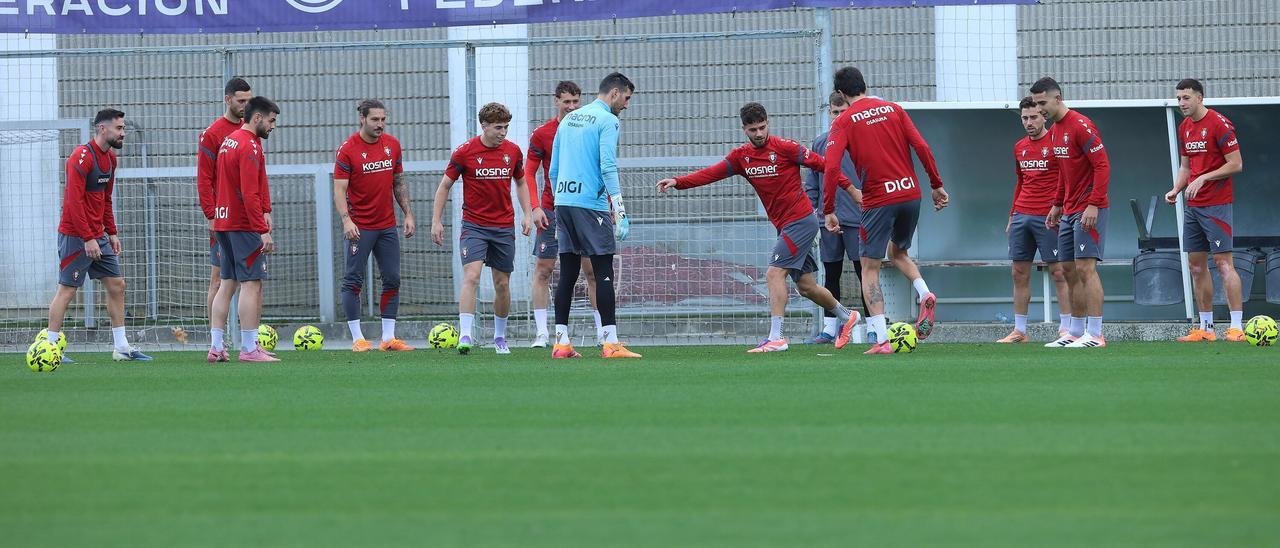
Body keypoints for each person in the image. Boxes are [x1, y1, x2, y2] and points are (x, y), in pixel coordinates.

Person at [658, 102, 863, 352]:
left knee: (774, 274)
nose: (759, 133)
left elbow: (826, 165)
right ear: (744, 129)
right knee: (807, 286)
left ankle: (777, 337)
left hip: (800, 221)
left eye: (762, 127)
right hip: (785, 226)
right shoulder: (741, 157)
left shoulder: (786, 148)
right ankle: (847, 316)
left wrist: (852, 190)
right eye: (753, 129)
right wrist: (678, 181)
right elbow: (711, 173)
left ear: (768, 123)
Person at [822, 66, 948, 355]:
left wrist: (829, 209)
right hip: (910, 193)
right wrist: (936, 184)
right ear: (865, 86)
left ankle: (881, 339)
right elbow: (921, 146)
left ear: (841, 93)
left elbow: (831, 167)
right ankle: (924, 293)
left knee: (869, 268)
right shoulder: (894, 109)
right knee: (898, 252)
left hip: (878, 200)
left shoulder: (844, 121)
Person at [546, 72, 642, 359]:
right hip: (591, 205)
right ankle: (610, 343)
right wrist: (619, 211)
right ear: (615, 93)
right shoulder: (608, 120)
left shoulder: (569, 119)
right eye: (626, 98)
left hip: (564, 202)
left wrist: (560, 202)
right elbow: (607, 166)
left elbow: (553, 169)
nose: (626, 105)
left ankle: (561, 343)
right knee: (603, 272)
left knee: (568, 272)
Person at [47, 108, 151, 362]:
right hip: (76, 235)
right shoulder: (81, 157)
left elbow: (105, 200)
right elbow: (73, 203)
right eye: (119, 128)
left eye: (124, 128)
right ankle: (50, 348)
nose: (123, 133)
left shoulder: (111, 160)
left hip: (98, 236)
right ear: (102, 129)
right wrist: (87, 238)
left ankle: (122, 347)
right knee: (67, 290)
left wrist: (111, 233)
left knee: (117, 285)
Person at [430, 102, 532, 355]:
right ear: (484, 126)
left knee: (502, 284)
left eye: (506, 127)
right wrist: (436, 221)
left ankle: (500, 337)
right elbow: (444, 186)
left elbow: (521, 183)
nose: (503, 132)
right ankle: (465, 335)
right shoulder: (464, 152)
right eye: (498, 127)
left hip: (503, 226)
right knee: (472, 276)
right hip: (474, 225)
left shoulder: (513, 152)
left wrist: (527, 214)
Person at [1165, 78, 1246, 342]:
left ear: (1200, 98)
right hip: (1193, 207)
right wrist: (1176, 189)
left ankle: (1236, 327)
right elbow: (1186, 167)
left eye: (1186, 98)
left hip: (1217, 204)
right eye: (1178, 98)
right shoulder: (1184, 127)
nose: (1181, 103)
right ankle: (1206, 328)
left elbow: (1236, 164)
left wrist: (1204, 178)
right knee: (1196, 267)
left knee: (1223, 263)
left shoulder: (1219, 124)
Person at [1032, 77, 1110, 348]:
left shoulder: (1081, 125)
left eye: (1042, 102)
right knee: (1067, 270)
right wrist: (1057, 204)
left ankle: (1096, 334)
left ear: (1058, 98)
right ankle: (1075, 332)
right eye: (1036, 103)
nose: (1039, 109)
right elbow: (1064, 173)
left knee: (1086, 268)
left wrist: (1093, 204)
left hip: (1089, 208)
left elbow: (1102, 166)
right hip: (1069, 210)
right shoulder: (1054, 130)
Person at [334, 99, 416, 352]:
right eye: (375, 120)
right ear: (362, 118)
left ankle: (388, 338)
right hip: (360, 227)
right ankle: (358, 339)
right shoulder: (348, 149)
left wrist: (408, 214)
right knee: (353, 280)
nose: (380, 124)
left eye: (383, 119)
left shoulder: (392, 145)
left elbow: (398, 182)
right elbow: (339, 189)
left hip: (387, 226)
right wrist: (346, 220)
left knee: (392, 278)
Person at [526, 81, 603, 348]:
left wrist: (605, 204)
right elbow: (529, 172)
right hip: (551, 210)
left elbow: (600, 168)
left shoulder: (589, 129)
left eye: (575, 102)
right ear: (556, 101)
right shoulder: (542, 134)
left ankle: (602, 333)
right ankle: (542, 333)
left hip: (583, 209)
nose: (571, 107)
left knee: (591, 271)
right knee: (544, 269)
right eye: (566, 102)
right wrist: (535, 207)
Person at [210, 96, 281, 362]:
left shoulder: (229, 141)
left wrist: (266, 209)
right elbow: (249, 192)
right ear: (257, 118)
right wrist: (262, 229)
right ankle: (250, 348)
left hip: (224, 222)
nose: (273, 126)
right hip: (243, 225)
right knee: (252, 284)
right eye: (271, 121)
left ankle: (216, 346)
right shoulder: (249, 145)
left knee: (227, 283)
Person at [998, 96, 1072, 343]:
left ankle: (1066, 327)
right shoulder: (1019, 147)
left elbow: (1067, 179)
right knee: (1018, 273)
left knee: (1059, 272)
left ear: (1043, 116)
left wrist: (1061, 209)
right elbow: (1020, 182)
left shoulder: (1056, 143)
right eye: (1024, 118)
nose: (1029, 122)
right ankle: (1020, 330)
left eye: (1033, 117)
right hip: (1022, 215)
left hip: (1049, 216)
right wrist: (1012, 215)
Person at [803, 91, 866, 344]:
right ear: (829, 112)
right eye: (835, 112)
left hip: (858, 218)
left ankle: (873, 327)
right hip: (827, 219)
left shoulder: (862, 140)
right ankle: (829, 329)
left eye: (843, 111)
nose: (839, 116)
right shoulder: (820, 143)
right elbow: (812, 183)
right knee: (831, 273)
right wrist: (815, 211)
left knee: (864, 272)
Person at [198, 77, 252, 359]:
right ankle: (216, 342)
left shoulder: (250, 129)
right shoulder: (212, 134)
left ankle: (247, 339)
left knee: (249, 280)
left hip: (246, 218)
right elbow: (204, 178)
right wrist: (211, 214)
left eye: (248, 101)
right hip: (223, 218)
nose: (245, 105)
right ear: (227, 99)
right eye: (241, 101)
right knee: (219, 279)